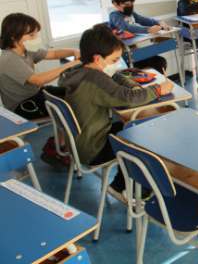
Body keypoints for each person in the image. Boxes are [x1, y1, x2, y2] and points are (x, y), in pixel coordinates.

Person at [59, 24, 173, 193]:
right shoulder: (95, 80)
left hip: (80, 142)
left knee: (131, 127)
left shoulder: (77, 71)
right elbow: (128, 99)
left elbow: (115, 77)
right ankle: (129, 188)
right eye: (114, 60)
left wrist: (130, 84)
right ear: (98, 59)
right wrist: (158, 90)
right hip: (93, 148)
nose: (117, 64)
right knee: (143, 135)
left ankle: (121, 183)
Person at [0, 13, 79, 119]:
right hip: (23, 105)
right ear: (14, 37)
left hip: (37, 93)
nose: (36, 38)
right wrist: (72, 64)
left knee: (76, 93)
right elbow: (38, 80)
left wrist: (74, 51)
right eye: (31, 35)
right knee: (74, 106)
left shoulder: (27, 50)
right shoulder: (9, 59)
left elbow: (54, 54)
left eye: (36, 34)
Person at [108, 0, 169, 73]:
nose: (130, 6)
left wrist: (159, 22)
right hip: (123, 58)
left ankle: (160, 81)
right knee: (154, 64)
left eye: (132, 3)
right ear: (115, 4)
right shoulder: (114, 16)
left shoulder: (131, 14)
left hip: (134, 52)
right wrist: (148, 30)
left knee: (160, 62)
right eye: (127, 4)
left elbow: (144, 20)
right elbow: (127, 27)